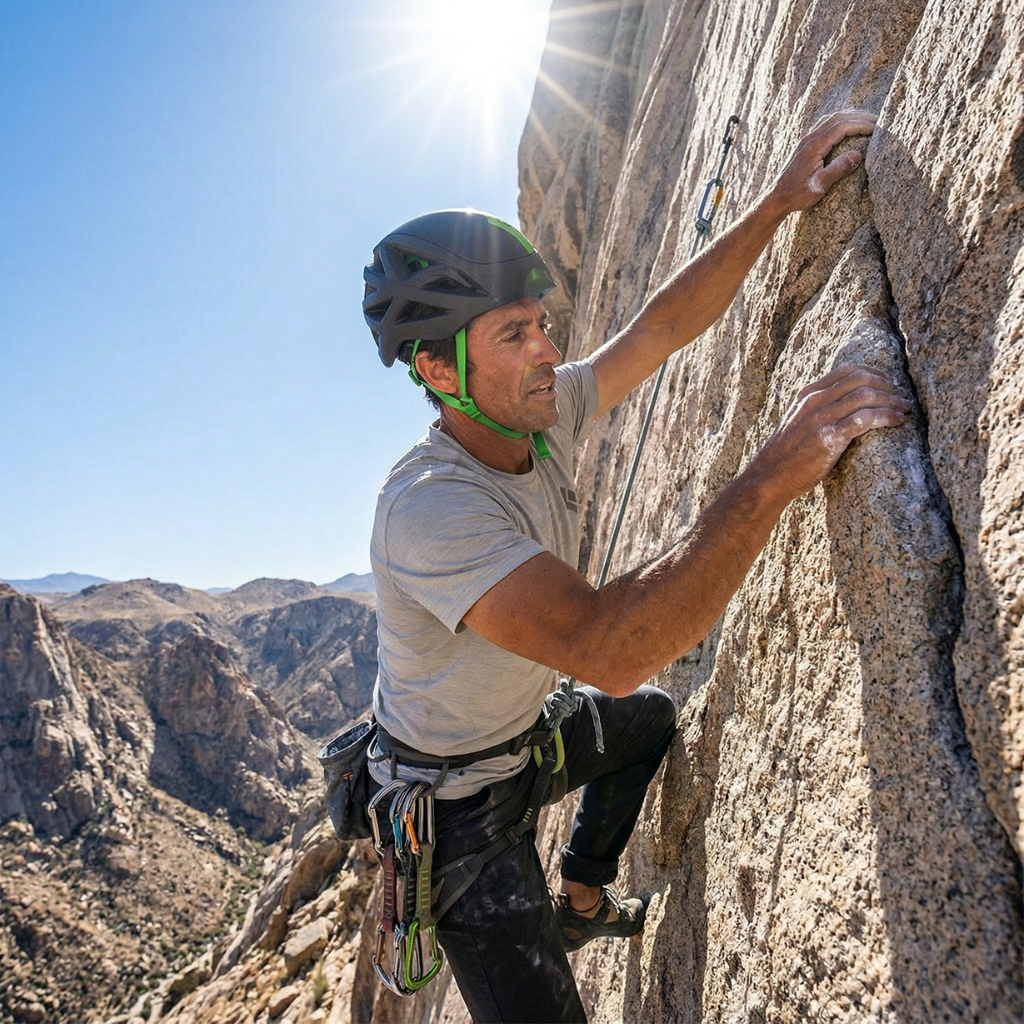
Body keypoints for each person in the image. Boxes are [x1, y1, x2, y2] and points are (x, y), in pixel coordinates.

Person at [360, 110, 911, 1023]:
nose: (548, 350)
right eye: (514, 335)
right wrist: (774, 470)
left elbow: (658, 331)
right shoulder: (427, 508)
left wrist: (776, 203)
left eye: (542, 324)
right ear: (439, 369)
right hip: (455, 817)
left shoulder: (537, 410)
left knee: (648, 720)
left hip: (521, 739)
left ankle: (580, 900)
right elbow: (609, 649)